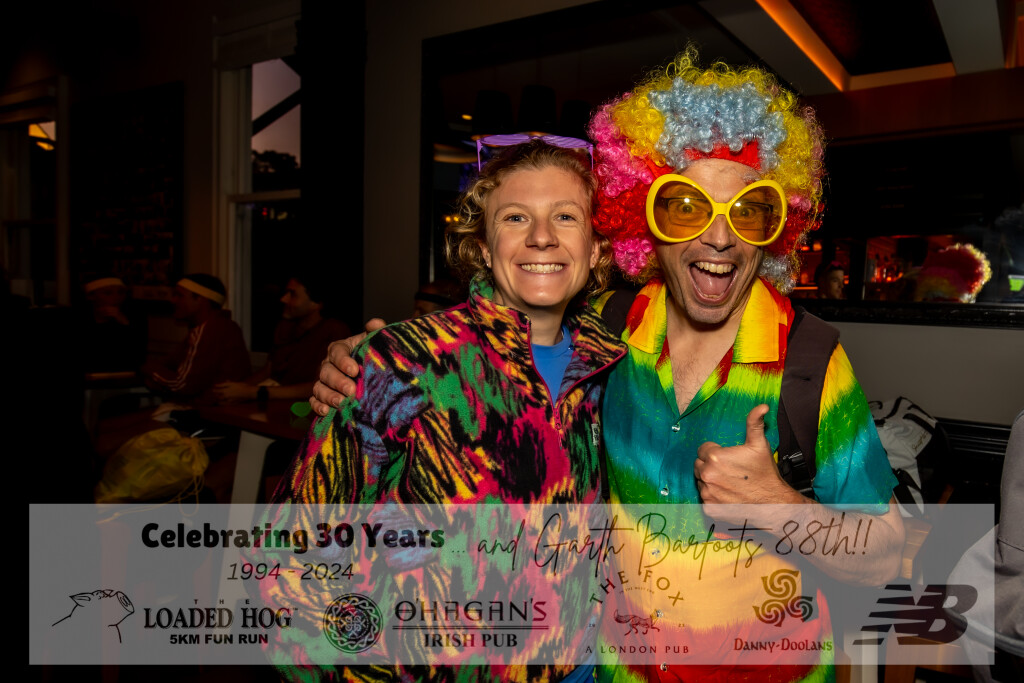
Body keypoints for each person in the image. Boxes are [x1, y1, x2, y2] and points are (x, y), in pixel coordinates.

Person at [313, 51, 904, 682]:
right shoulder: (605, 332)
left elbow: (886, 557)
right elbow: (503, 330)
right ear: (642, 218)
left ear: (775, 227)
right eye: (686, 206)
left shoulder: (810, 363)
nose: (720, 237)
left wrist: (779, 508)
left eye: (749, 210)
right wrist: (375, 365)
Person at [268, 138, 624, 681]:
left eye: (566, 216)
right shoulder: (404, 360)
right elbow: (291, 559)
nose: (542, 236)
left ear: (596, 249)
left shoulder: (614, 367)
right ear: (483, 247)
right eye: (515, 217)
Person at [212, 273, 350, 404]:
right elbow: (269, 370)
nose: (284, 299)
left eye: (293, 294)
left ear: (316, 303)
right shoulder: (284, 327)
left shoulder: (334, 331)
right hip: (272, 405)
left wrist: (253, 392)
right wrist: (233, 390)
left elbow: (318, 385)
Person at [141, 274, 250, 403]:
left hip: (213, 410)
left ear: (201, 300)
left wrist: (146, 367)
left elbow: (183, 385)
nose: (173, 300)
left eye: (179, 295)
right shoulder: (217, 326)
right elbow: (170, 363)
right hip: (211, 407)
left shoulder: (212, 329)